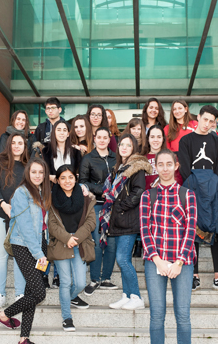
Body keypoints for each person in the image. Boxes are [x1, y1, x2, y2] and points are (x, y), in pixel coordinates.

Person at [139, 149, 201, 344]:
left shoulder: (188, 195)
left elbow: (191, 230)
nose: (164, 168)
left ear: (176, 166)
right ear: (156, 167)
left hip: (181, 264)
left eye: (169, 164)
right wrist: (157, 260)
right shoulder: (148, 196)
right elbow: (145, 230)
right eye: (160, 164)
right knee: (157, 315)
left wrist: (178, 262)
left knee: (183, 316)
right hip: (155, 261)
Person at [0, 158, 51, 344]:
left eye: (40, 172)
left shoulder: (42, 193)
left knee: (31, 293)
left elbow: (42, 224)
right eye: (33, 172)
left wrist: (43, 247)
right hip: (24, 245)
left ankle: (23, 339)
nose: (37, 175)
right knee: (39, 293)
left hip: (38, 243)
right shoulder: (21, 193)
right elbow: (26, 227)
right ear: (27, 173)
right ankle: (4, 314)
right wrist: (39, 254)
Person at [177, 105, 218, 291]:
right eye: (205, 119)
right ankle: (194, 275)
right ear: (198, 118)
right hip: (192, 192)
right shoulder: (186, 141)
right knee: (193, 231)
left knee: (214, 229)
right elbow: (185, 169)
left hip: (212, 193)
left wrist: (213, 190)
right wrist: (197, 188)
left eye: (211, 121)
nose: (207, 124)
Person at [100, 134, 152, 310]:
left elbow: (139, 192)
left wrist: (121, 207)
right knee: (122, 259)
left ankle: (137, 297)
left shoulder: (136, 168)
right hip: (119, 220)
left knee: (122, 259)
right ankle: (127, 295)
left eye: (128, 146)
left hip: (128, 219)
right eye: (122, 144)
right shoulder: (120, 168)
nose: (124, 148)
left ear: (133, 149)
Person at [48, 165, 97, 331]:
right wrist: (66, 238)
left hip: (80, 243)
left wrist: (75, 238)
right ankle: (67, 317)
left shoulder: (85, 199)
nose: (67, 181)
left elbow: (91, 222)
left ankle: (68, 299)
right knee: (66, 281)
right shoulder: (52, 199)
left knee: (81, 282)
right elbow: (52, 225)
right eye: (63, 178)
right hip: (61, 244)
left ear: (75, 179)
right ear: (58, 180)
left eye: (70, 177)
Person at [0, 133, 29, 308]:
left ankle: (20, 294)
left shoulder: (28, 165)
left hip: (20, 215)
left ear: (25, 146)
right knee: (0, 253)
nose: (17, 146)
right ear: (9, 145)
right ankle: (0, 294)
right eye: (14, 143)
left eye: (20, 143)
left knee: (19, 254)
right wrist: (3, 204)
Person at [79, 127, 119, 295]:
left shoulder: (116, 158)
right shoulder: (88, 158)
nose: (102, 140)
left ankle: (107, 278)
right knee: (96, 241)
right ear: (94, 139)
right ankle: (95, 279)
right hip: (96, 204)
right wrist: (102, 189)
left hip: (114, 206)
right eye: (99, 137)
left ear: (109, 139)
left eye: (105, 137)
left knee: (111, 243)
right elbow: (83, 182)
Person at [143, 124, 183, 189]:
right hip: (148, 196)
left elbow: (179, 179)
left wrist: (163, 184)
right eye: (152, 137)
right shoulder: (142, 159)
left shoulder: (171, 157)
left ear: (163, 139)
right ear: (148, 139)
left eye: (159, 137)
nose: (155, 140)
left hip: (168, 195)